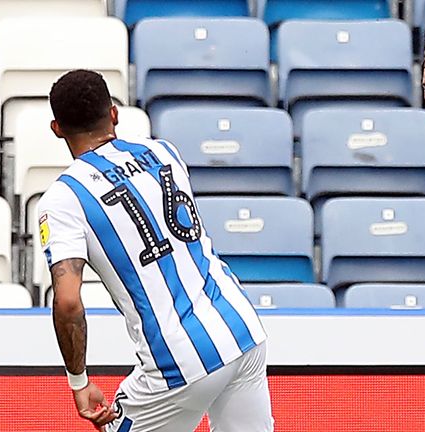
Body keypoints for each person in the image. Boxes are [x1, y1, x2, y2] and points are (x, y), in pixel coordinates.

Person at [39, 69, 273, 432]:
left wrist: (79, 381)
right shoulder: (164, 151)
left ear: (56, 129)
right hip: (241, 328)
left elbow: (68, 302)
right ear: (114, 113)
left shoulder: (63, 198)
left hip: (179, 361)